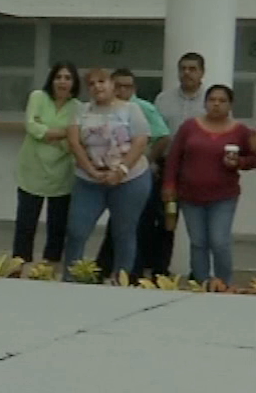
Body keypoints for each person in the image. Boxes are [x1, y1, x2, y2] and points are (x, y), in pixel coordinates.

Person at [62, 68, 155, 282]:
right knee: (77, 230)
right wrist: (91, 170)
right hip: (89, 179)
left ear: (113, 84)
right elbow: (74, 142)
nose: (97, 87)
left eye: (102, 81)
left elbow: (141, 141)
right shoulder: (81, 110)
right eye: (92, 84)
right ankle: (70, 278)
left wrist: (121, 170)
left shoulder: (131, 109)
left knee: (123, 233)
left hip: (129, 179)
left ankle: (119, 280)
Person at [162, 84, 255, 286]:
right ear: (205, 103)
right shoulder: (189, 127)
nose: (216, 104)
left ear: (230, 105)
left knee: (219, 241)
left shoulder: (240, 131)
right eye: (212, 100)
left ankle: (224, 284)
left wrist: (239, 162)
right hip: (190, 196)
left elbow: (253, 158)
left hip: (224, 196)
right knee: (198, 243)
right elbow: (174, 158)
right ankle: (201, 284)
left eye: (222, 101)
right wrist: (169, 184)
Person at [97, 68, 172, 279]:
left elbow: (163, 136)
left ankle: (132, 271)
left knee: (136, 223)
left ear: (134, 88)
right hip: (111, 173)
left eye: (127, 86)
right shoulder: (106, 108)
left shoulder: (143, 108)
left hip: (136, 175)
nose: (122, 90)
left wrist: (144, 162)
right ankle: (107, 266)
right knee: (117, 221)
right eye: (118, 86)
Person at [14, 62, 80, 269]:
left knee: (57, 226)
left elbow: (77, 138)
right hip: (31, 168)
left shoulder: (77, 107)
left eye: (68, 78)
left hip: (61, 173)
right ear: (51, 80)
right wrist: (63, 133)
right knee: (26, 223)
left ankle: (49, 268)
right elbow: (32, 127)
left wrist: (47, 132)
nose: (62, 82)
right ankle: (19, 265)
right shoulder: (38, 97)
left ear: (74, 83)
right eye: (58, 77)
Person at [156, 51, 209, 130]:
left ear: (202, 72)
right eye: (183, 69)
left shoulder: (212, 100)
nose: (186, 72)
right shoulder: (163, 99)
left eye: (192, 69)